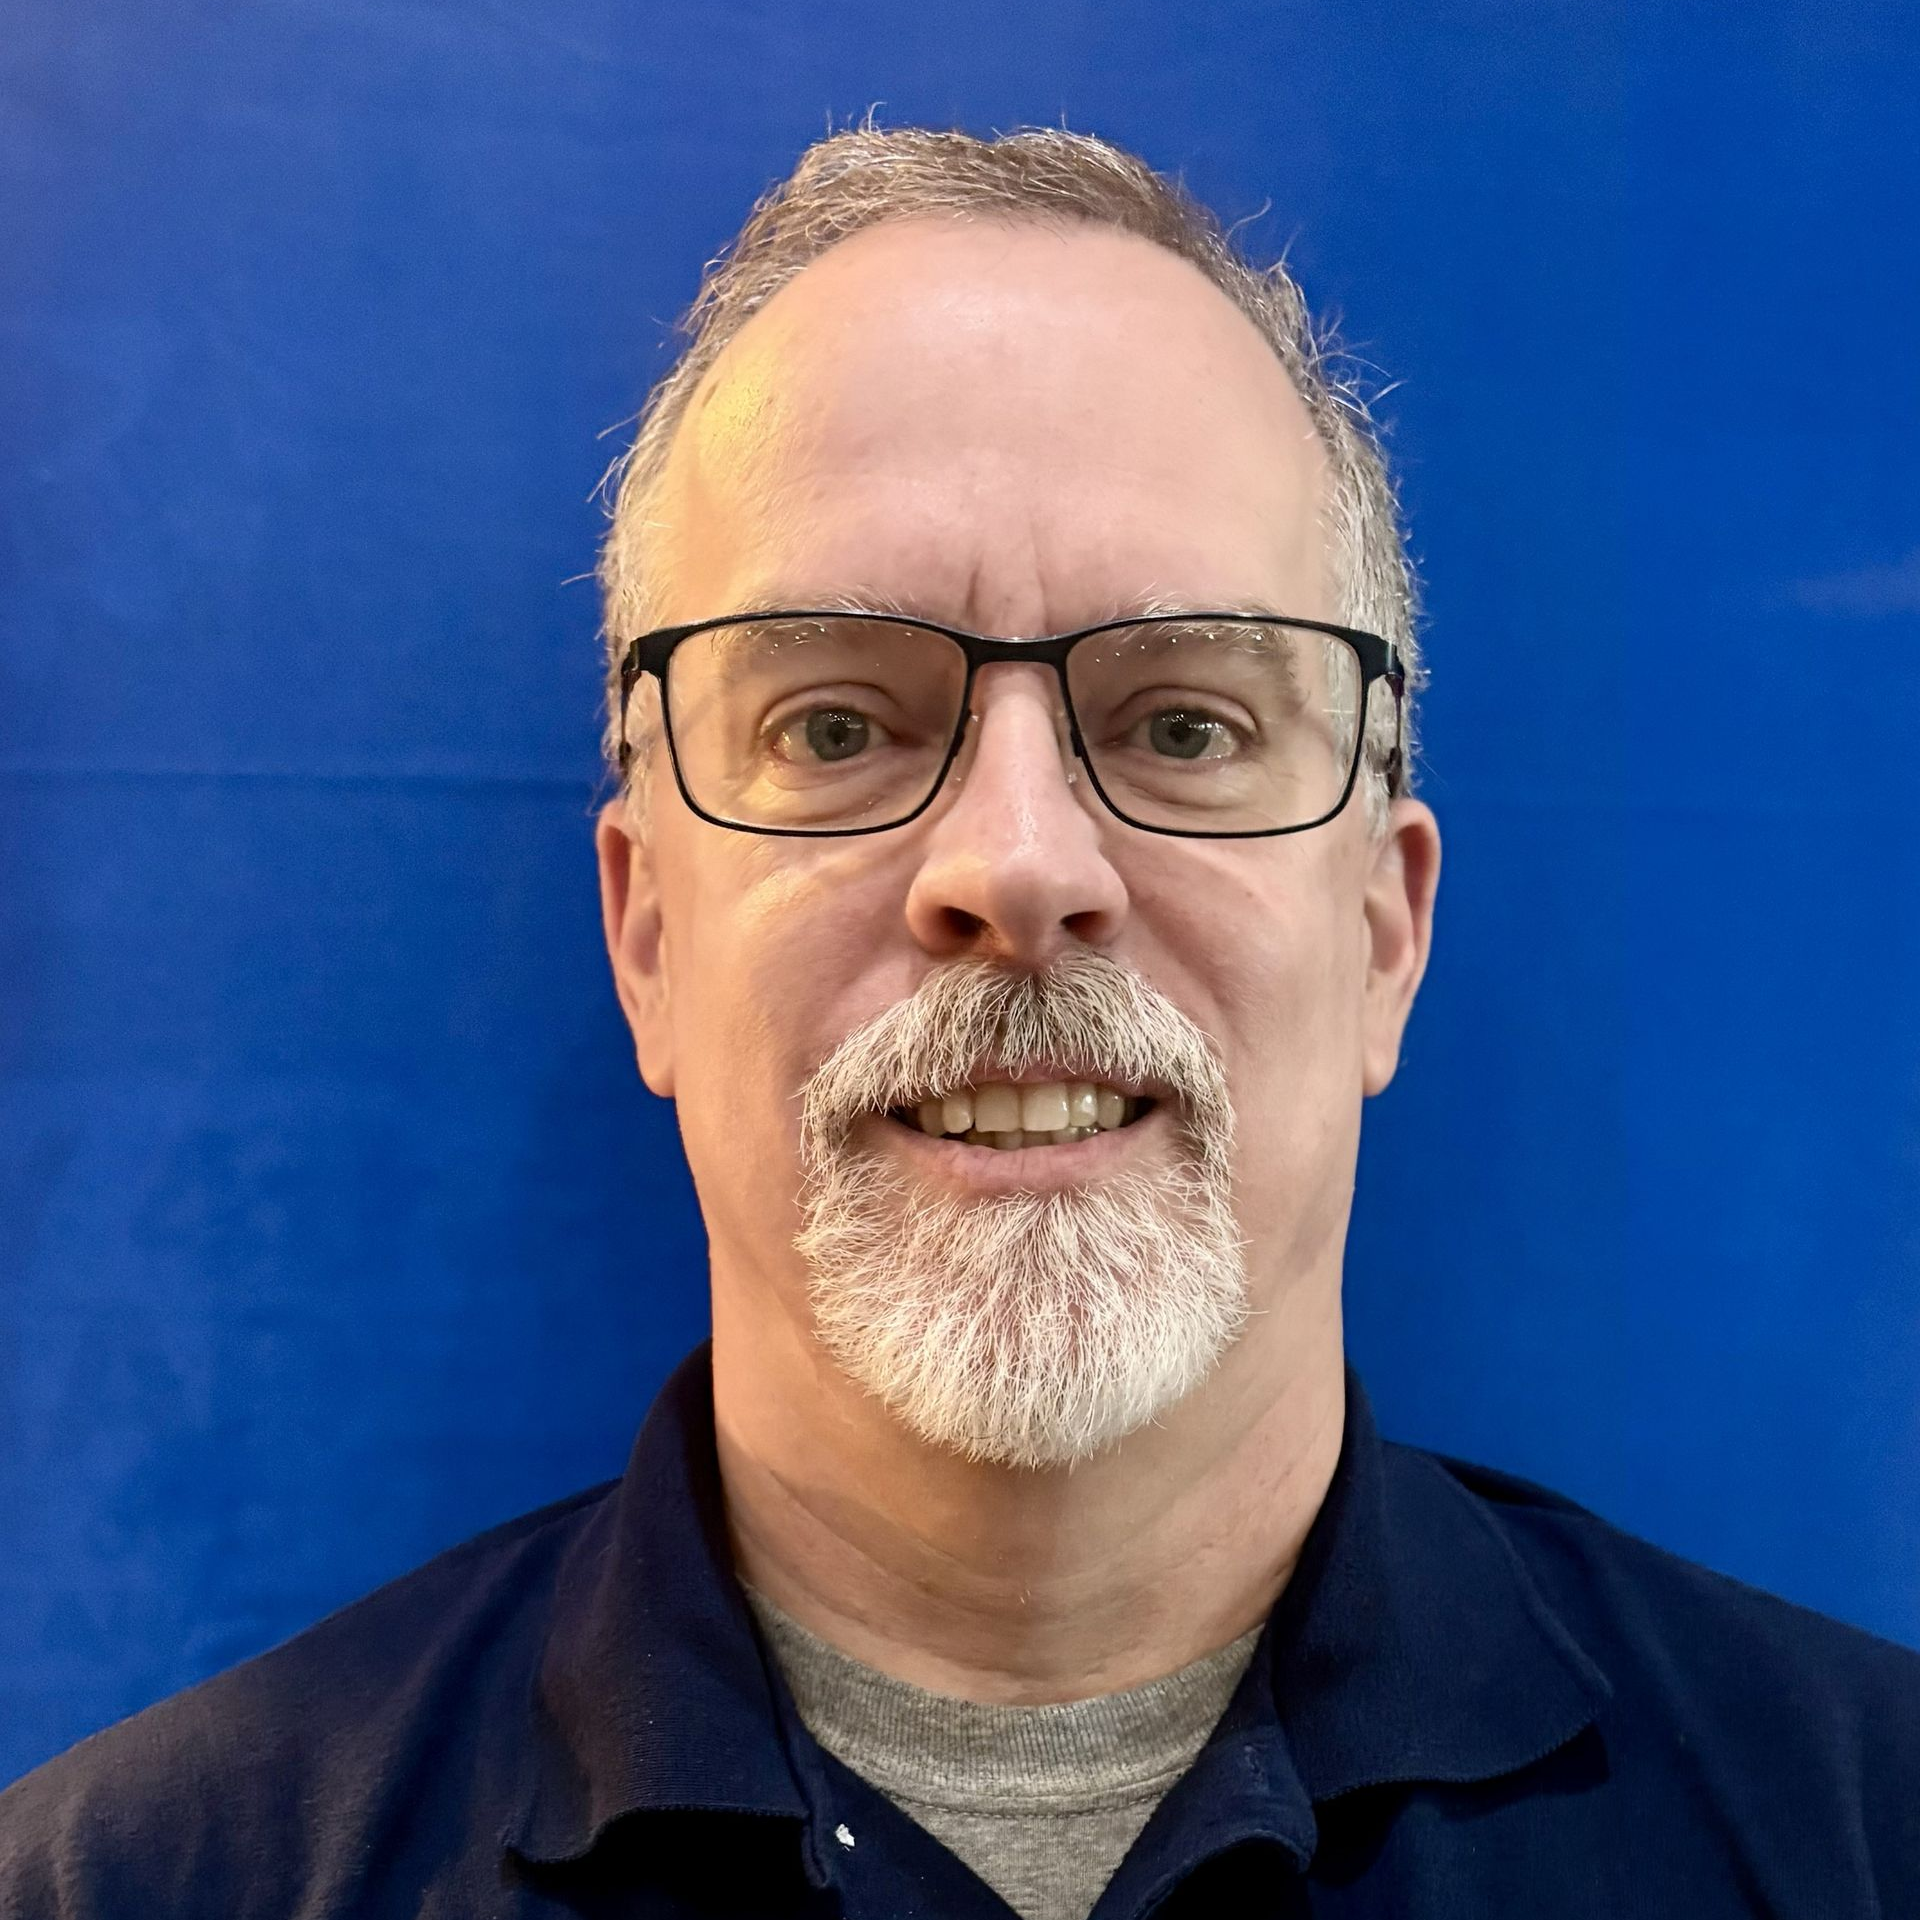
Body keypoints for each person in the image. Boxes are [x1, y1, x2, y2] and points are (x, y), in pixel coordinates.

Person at [2, 124, 1915, 1920]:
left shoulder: (1865, 1833)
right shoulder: (140, 1882)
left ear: (1387, 934)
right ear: (646, 932)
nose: (1015, 866)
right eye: (837, 726)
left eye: (1186, 723)